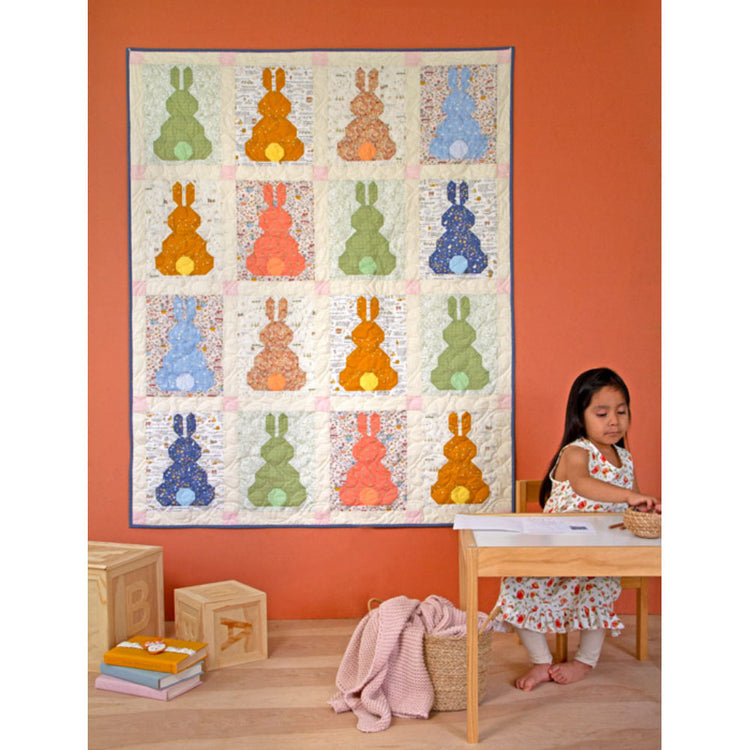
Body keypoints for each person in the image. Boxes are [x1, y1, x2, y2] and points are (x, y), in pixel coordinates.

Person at [497, 367, 659, 691]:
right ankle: (541, 661)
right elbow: (583, 484)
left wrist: (642, 506)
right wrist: (628, 495)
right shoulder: (576, 453)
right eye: (602, 413)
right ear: (580, 417)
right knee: (515, 587)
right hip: (555, 551)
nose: (613, 421)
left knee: (598, 591)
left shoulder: (625, 460)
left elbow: (633, 503)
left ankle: (585, 661)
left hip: (598, 557)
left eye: (621, 411)